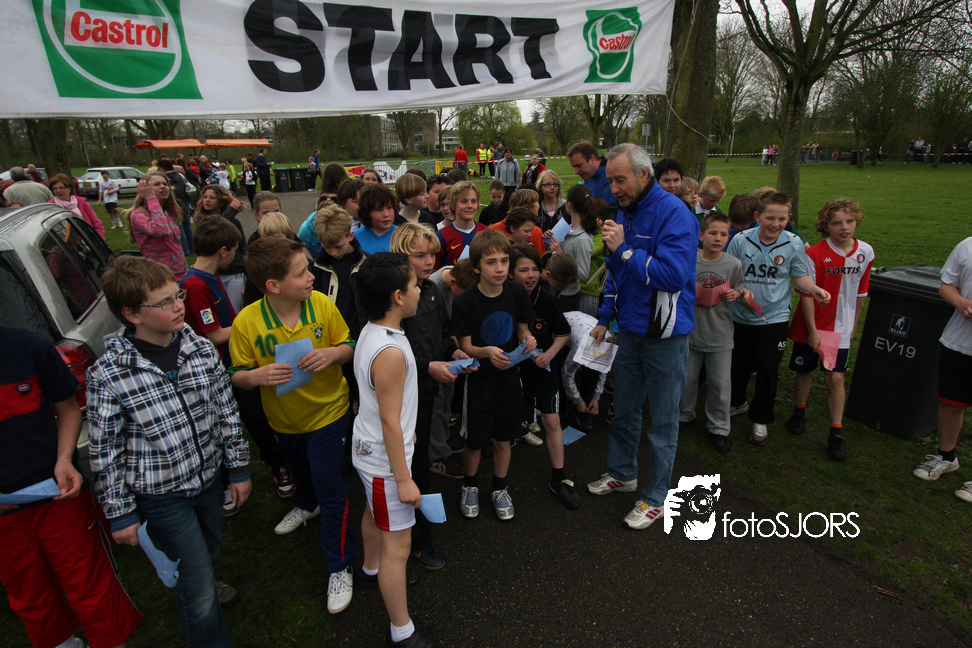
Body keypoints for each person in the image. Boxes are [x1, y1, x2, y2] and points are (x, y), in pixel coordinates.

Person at [87, 256, 251, 648]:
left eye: (178, 296)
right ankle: (201, 598)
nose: (179, 306)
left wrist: (238, 467)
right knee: (198, 589)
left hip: (208, 480)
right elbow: (105, 449)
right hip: (161, 495)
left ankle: (197, 574)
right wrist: (120, 512)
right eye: (164, 303)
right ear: (131, 314)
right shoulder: (108, 374)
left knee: (207, 549)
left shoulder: (200, 348)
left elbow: (225, 410)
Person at [229, 237, 357, 615]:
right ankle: (304, 504)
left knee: (330, 484)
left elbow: (348, 344)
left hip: (330, 413)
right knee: (300, 470)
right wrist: (255, 377)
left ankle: (339, 564)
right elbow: (237, 373)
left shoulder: (321, 304)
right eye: (301, 273)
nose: (311, 277)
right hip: (284, 421)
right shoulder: (247, 321)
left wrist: (332, 354)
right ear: (273, 285)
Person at [0, 325, 141, 648]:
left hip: (59, 496)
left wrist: (64, 459)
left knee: (91, 583)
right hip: (5, 519)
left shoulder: (30, 346)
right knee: (29, 595)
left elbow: (67, 407)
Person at [586, 143, 698, 530]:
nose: (614, 188)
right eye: (610, 180)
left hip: (665, 336)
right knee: (624, 410)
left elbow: (673, 277)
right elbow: (616, 273)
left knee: (663, 423)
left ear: (643, 175)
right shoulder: (626, 211)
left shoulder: (675, 214)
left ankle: (657, 497)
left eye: (620, 180)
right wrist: (605, 317)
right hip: (629, 331)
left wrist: (625, 250)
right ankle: (623, 473)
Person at [352, 253, 439, 648]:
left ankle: (369, 570)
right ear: (398, 296)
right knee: (398, 547)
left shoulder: (375, 331)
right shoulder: (390, 352)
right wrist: (404, 479)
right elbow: (389, 420)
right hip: (386, 466)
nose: (421, 289)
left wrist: (407, 432)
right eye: (415, 284)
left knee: (374, 513)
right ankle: (402, 632)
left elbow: (388, 411)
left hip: (371, 452)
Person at [391, 224, 471, 571]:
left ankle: (417, 533)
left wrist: (453, 353)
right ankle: (415, 542)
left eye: (432, 255)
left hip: (426, 392)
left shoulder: (433, 291)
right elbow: (392, 355)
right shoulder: (394, 298)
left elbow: (441, 335)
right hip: (401, 399)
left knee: (419, 461)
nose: (429, 262)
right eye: (420, 255)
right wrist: (429, 367)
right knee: (407, 466)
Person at [725, 192, 830, 446]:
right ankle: (736, 402)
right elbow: (729, 273)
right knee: (738, 364)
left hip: (774, 318)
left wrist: (813, 288)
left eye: (782, 219)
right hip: (740, 316)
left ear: (789, 218)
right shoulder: (740, 240)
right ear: (757, 216)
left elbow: (799, 276)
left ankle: (760, 418)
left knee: (768, 369)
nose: (775, 224)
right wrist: (742, 291)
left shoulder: (793, 243)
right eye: (769, 218)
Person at [451, 230, 536, 521]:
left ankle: (500, 487)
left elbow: (523, 328)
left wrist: (527, 340)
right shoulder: (465, 302)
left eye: (504, 261)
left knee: (504, 439)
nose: (499, 268)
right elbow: (465, 346)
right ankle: (470, 485)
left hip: (509, 378)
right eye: (491, 262)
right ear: (476, 267)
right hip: (478, 381)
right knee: (475, 441)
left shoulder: (516, 292)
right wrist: (487, 352)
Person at [786, 199, 874, 461]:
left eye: (849, 221)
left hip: (838, 329)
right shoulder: (815, 254)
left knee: (835, 378)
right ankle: (799, 411)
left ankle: (836, 432)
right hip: (812, 324)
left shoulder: (865, 252)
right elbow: (807, 294)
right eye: (836, 223)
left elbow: (861, 292)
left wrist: (853, 324)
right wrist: (812, 331)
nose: (844, 227)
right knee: (805, 371)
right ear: (826, 226)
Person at [508, 244, 578, 508]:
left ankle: (558, 478)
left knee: (551, 419)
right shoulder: (503, 296)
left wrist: (549, 354)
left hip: (543, 367)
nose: (530, 275)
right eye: (523, 270)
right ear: (511, 273)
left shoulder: (546, 299)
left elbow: (564, 332)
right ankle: (497, 482)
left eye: (535, 269)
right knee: (506, 420)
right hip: (512, 370)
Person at [678, 213, 747, 454]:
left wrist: (736, 293)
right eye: (713, 233)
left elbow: (740, 287)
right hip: (691, 332)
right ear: (701, 235)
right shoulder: (690, 261)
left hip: (720, 334)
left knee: (719, 384)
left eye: (724, 234)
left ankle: (719, 428)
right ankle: (684, 415)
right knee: (687, 379)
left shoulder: (733, 264)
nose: (718, 238)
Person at [912, 236, 972, 503]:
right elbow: (947, 286)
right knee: (950, 403)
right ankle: (947, 457)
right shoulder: (967, 246)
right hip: (959, 342)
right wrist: (961, 302)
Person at [311, 203, 368, 339]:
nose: (333, 252)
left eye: (338, 246)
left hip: (361, 336)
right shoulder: (316, 269)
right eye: (327, 247)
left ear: (350, 235)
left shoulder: (368, 263)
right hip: (329, 338)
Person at [192, 185, 248, 314]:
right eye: (205, 197)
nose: (207, 200)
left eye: (212, 198)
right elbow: (213, 229)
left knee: (234, 310)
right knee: (217, 310)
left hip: (235, 273)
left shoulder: (234, 222)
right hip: (213, 274)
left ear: (221, 201)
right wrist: (230, 211)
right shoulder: (201, 221)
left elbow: (243, 249)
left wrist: (248, 276)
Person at [126, 172, 187, 281]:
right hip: (161, 277)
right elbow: (161, 231)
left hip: (181, 273)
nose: (163, 186)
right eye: (156, 184)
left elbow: (176, 245)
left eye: (165, 184)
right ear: (145, 190)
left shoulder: (168, 212)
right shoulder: (138, 214)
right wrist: (151, 199)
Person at [299, 178, 365, 258]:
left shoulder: (373, 223)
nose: (362, 205)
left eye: (364, 200)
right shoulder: (314, 226)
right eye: (356, 201)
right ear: (341, 204)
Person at [435, 180, 487, 268]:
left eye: (473, 201)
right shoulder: (441, 236)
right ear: (453, 205)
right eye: (464, 201)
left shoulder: (485, 232)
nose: (470, 206)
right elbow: (435, 271)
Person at [48, 173, 106, 239]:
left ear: (69, 188)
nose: (58, 191)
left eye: (61, 187)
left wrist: (100, 239)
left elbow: (96, 223)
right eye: (55, 188)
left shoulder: (82, 203)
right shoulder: (50, 206)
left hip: (87, 239)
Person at [355, 184, 399, 254]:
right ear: (366, 212)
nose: (386, 214)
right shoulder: (355, 239)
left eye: (389, 208)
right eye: (379, 210)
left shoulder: (404, 236)